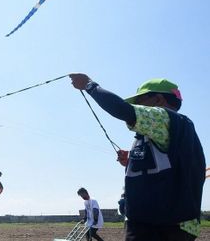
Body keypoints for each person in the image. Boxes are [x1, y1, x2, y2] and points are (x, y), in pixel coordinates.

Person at [70, 74, 205, 241]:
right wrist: (130, 162)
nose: (137, 106)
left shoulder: (164, 117)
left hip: (163, 224)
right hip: (164, 221)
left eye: (140, 101)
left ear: (158, 100)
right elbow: (165, 167)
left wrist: (89, 85)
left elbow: (123, 110)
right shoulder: (164, 131)